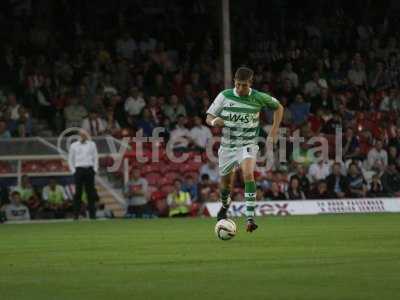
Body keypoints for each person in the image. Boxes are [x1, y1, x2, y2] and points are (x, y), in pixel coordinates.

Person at [206, 66, 283, 232]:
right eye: (238, 84)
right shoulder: (224, 96)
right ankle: (225, 204)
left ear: (251, 83)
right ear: (234, 81)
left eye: (244, 85)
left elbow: (279, 107)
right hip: (227, 147)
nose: (241, 88)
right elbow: (209, 116)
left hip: (248, 144)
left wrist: (274, 131)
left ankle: (250, 218)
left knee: (248, 173)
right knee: (226, 185)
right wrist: (214, 122)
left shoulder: (259, 97)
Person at [68, 129, 99, 219]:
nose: (83, 136)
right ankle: (76, 215)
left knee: (91, 193)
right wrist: (73, 171)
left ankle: (92, 216)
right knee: (78, 193)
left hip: (89, 169)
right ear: (78, 135)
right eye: (81, 135)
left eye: (84, 134)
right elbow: (70, 159)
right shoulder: (73, 145)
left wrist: (95, 170)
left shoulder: (92, 144)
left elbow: (95, 157)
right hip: (79, 170)